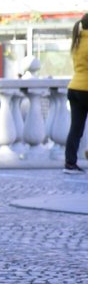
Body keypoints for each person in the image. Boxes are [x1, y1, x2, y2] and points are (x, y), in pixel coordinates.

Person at [64, 12, 88, 175]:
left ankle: (70, 163)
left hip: (74, 88)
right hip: (86, 88)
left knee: (76, 128)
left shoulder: (77, 40)